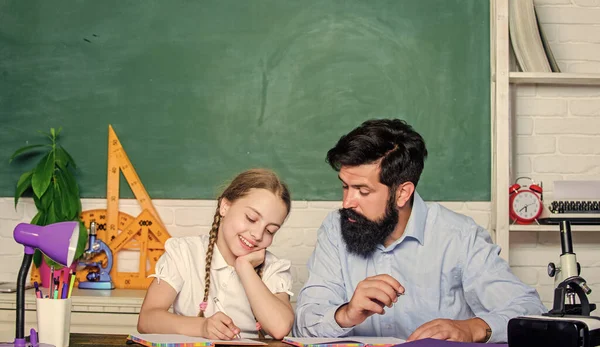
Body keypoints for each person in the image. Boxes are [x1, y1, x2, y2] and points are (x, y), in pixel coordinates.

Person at [293, 119, 546, 343]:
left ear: (402, 193)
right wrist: (346, 314)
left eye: (363, 190)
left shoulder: (460, 236)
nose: (347, 202)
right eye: (345, 187)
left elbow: (530, 310)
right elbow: (304, 323)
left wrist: (473, 328)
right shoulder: (335, 230)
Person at [138, 169, 294, 340]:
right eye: (251, 218)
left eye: (270, 231)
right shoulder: (184, 253)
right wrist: (202, 327)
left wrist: (244, 268)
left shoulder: (273, 267)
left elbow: (280, 328)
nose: (257, 235)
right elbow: (147, 319)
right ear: (225, 207)